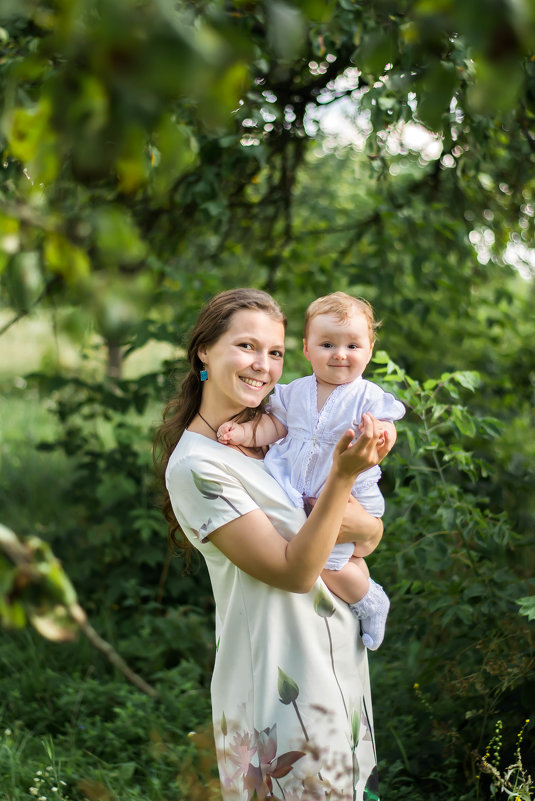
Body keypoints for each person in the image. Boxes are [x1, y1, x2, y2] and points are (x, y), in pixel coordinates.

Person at [155, 288, 394, 801]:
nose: (263, 365)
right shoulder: (200, 465)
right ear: (204, 350)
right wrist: (342, 478)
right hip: (279, 688)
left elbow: (367, 535)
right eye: (246, 346)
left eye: (275, 352)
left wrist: (366, 526)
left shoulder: (277, 444)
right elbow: (295, 572)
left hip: (338, 671)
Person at [217, 292, 405, 651]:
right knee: (317, 555)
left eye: (353, 345)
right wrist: (242, 433)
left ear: (369, 350)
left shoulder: (366, 396)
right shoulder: (294, 393)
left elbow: (387, 426)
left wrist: (383, 436)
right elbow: (274, 428)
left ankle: (371, 599)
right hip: (298, 489)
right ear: (306, 349)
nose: (340, 354)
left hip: (350, 495)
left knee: (330, 563)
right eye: (327, 344)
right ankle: (354, 591)